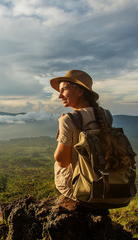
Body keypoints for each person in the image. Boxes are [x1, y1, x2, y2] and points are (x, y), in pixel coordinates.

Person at [50, 69, 111, 200]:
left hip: (78, 186)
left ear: (80, 91)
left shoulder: (68, 120)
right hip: (104, 182)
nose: (59, 96)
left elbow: (62, 161)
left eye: (64, 90)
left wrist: (62, 127)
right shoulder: (106, 115)